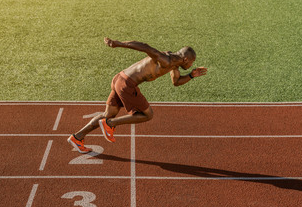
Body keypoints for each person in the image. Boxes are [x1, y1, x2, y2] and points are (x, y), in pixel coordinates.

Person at [68, 37, 207, 153]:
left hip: (119, 79)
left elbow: (176, 82)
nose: (192, 65)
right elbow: (145, 47)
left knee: (108, 113)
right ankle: (109, 124)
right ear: (186, 60)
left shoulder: (174, 66)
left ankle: (77, 137)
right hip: (127, 84)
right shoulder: (167, 60)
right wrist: (118, 44)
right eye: (192, 62)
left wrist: (191, 75)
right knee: (148, 114)